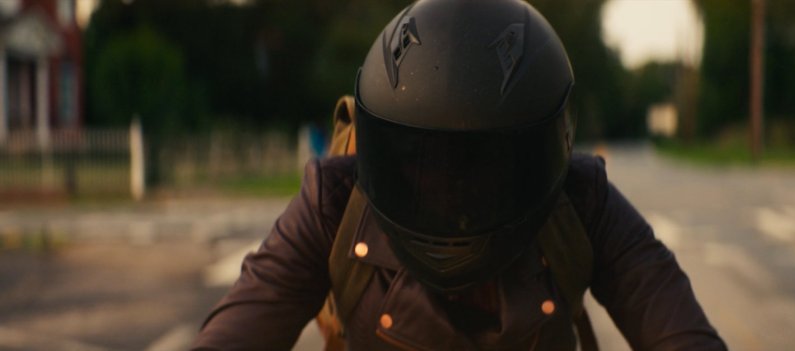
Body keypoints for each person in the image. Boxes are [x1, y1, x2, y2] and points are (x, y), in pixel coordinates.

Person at [193, 0, 727, 350]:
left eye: (479, 164)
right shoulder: (334, 200)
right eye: (422, 163)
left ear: (545, 153)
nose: (452, 192)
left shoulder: (583, 202)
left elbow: (679, 332)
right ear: (379, 152)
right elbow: (237, 332)